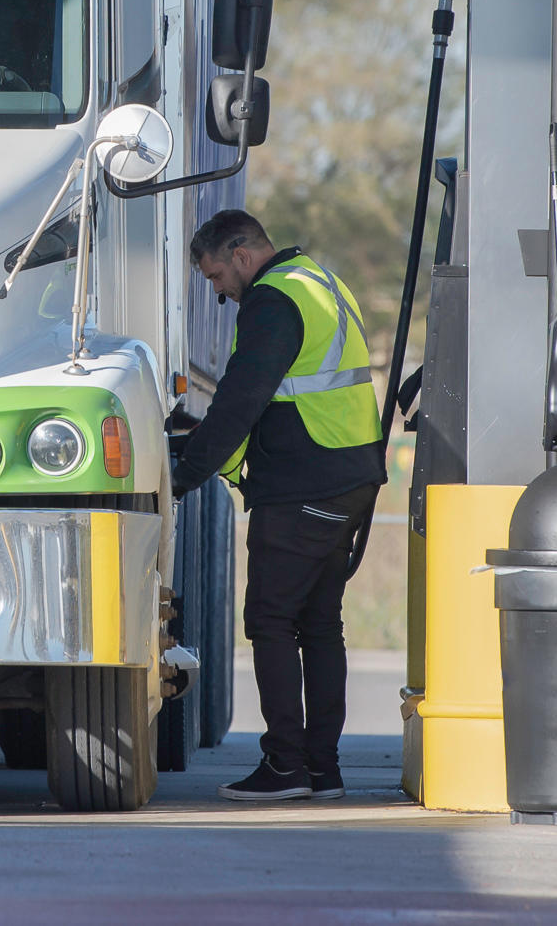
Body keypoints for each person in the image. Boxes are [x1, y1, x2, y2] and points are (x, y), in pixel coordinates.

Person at [170, 209, 385, 802]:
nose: (217, 293)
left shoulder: (272, 302)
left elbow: (241, 401)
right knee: (318, 624)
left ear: (242, 255)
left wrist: (185, 473)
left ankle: (286, 766)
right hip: (345, 476)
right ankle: (321, 769)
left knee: (270, 620)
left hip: (304, 484)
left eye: (216, 277)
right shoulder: (319, 281)